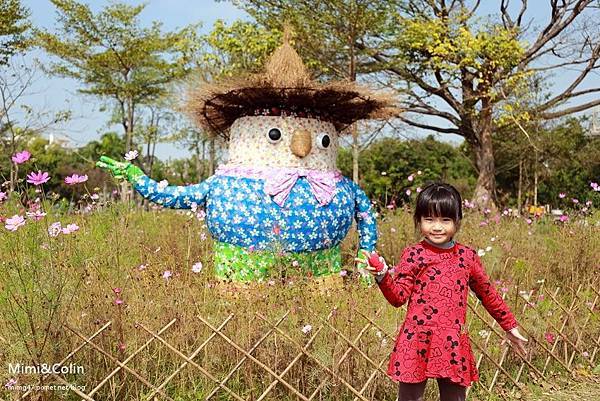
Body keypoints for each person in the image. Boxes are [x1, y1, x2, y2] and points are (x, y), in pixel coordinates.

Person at [357, 182, 527, 401]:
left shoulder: (467, 257)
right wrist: (382, 275)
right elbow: (398, 297)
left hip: (452, 341)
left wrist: (509, 325)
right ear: (418, 221)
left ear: (457, 221)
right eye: (429, 219)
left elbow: (487, 293)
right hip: (416, 339)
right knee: (409, 398)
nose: (437, 227)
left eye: (445, 220)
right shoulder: (413, 255)